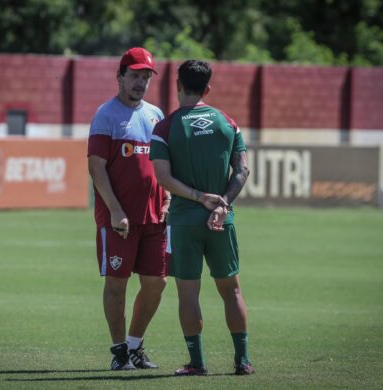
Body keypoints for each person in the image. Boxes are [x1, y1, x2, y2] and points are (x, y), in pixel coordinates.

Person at [150, 60, 254, 376]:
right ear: (207, 88)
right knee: (232, 290)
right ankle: (242, 361)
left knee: (188, 292)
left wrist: (197, 197)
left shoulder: (165, 128)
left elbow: (163, 178)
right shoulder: (227, 123)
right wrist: (223, 204)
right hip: (222, 221)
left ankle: (197, 363)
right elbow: (243, 169)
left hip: (183, 222)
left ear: (178, 85)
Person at [87, 47, 170, 371]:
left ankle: (135, 346)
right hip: (118, 219)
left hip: (154, 217)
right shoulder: (105, 115)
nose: (140, 82)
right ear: (120, 76)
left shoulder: (156, 115)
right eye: (134, 75)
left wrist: (168, 198)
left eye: (146, 76)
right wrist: (115, 210)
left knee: (157, 283)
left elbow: (164, 164)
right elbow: (97, 168)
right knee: (117, 284)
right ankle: (119, 352)